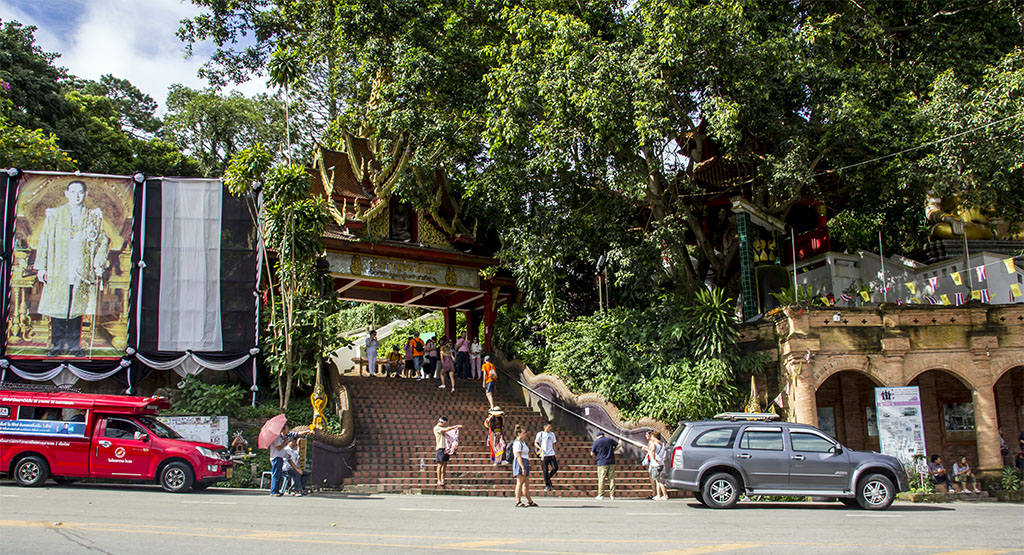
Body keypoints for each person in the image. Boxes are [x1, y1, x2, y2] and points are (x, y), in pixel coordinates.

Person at [34, 180, 110, 357]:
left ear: (86, 195)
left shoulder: (93, 216)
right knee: (58, 307)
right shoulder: (55, 215)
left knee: (77, 307)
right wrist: (42, 267)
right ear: (66, 194)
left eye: (80, 192)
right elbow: (44, 241)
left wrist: (98, 263)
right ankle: (57, 344)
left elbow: (102, 242)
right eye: (73, 192)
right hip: (58, 267)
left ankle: (75, 345)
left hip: (80, 268)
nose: (77, 196)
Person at [268, 424, 312, 497]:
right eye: (287, 429)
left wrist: (286, 454)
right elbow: (278, 447)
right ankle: (273, 491)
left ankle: (276, 490)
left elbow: (296, 434)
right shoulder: (276, 437)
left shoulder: (281, 437)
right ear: (283, 429)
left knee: (278, 475)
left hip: (280, 457)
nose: (288, 431)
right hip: (276, 457)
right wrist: (285, 443)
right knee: (276, 475)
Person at [512, 425, 538, 507]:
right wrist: (522, 467)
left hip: (525, 461)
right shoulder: (517, 443)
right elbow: (518, 455)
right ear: (519, 433)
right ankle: (518, 501)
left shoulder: (523, 442)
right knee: (519, 482)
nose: (525, 434)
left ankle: (529, 501)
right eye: (524, 432)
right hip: (520, 462)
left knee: (526, 483)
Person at [433, 416, 463, 487]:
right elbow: (446, 429)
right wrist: (455, 426)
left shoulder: (443, 428)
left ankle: (443, 479)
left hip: (446, 448)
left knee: (445, 464)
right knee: (440, 465)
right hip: (440, 447)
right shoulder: (437, 428)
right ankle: (439, 480)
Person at [591, 431, 618, 500]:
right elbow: (618, 445)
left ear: (597, 436)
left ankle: (601, 494)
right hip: (611, 461)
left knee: (601, 478)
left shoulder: (596, 442)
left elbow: (592, 453)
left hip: (601, 462)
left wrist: (596, 456)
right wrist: (613, 450)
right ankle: (612, 495)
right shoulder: (610, 440)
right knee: (611, 478)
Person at [643, 430, 669, 500]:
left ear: (654, 436)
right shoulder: (662, 443)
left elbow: (652, 451)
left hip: (656, 464)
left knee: (658, 481)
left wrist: (648, 451)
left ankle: (661, 495)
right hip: (662, 463)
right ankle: (661, 495)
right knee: (660, 480)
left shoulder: (653, 444)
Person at [534, 421, 558, 491]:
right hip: (543, 454)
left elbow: (554, 444)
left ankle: (548, 477)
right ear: (545, 427)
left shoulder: (552, 434)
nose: (550, 428)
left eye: (551, 427)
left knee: (555, 467)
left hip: (551, 453)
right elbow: (535, 443)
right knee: (545, 470)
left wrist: (555, 452)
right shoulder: (540, 434)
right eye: (549, 427)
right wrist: (539, 448)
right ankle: (547, 484)